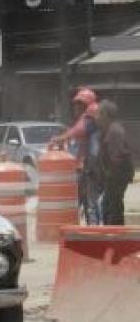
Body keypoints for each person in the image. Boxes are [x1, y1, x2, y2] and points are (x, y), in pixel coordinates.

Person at [51, 87, 101, 225]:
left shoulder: (89, 117)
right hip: (82, 168)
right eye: (75, 104)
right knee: (81, 202)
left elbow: (80, 130)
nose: (75, 107)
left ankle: (93, 232)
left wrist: (61, 138)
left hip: (87, 168)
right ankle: (80, 228)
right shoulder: (84, 119)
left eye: (79, 104)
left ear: (86, 105)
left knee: (89, 203)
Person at [95, 100, 134, 225]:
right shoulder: (108, 130)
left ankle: (114, 236)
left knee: (113, 208)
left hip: (116, 178)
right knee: (109, 206)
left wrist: (110, 176)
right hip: (113, 178)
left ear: (105, 115)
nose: (96, 118)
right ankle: (113, 234)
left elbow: (118, 158)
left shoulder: (114, 131)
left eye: (98, 114)